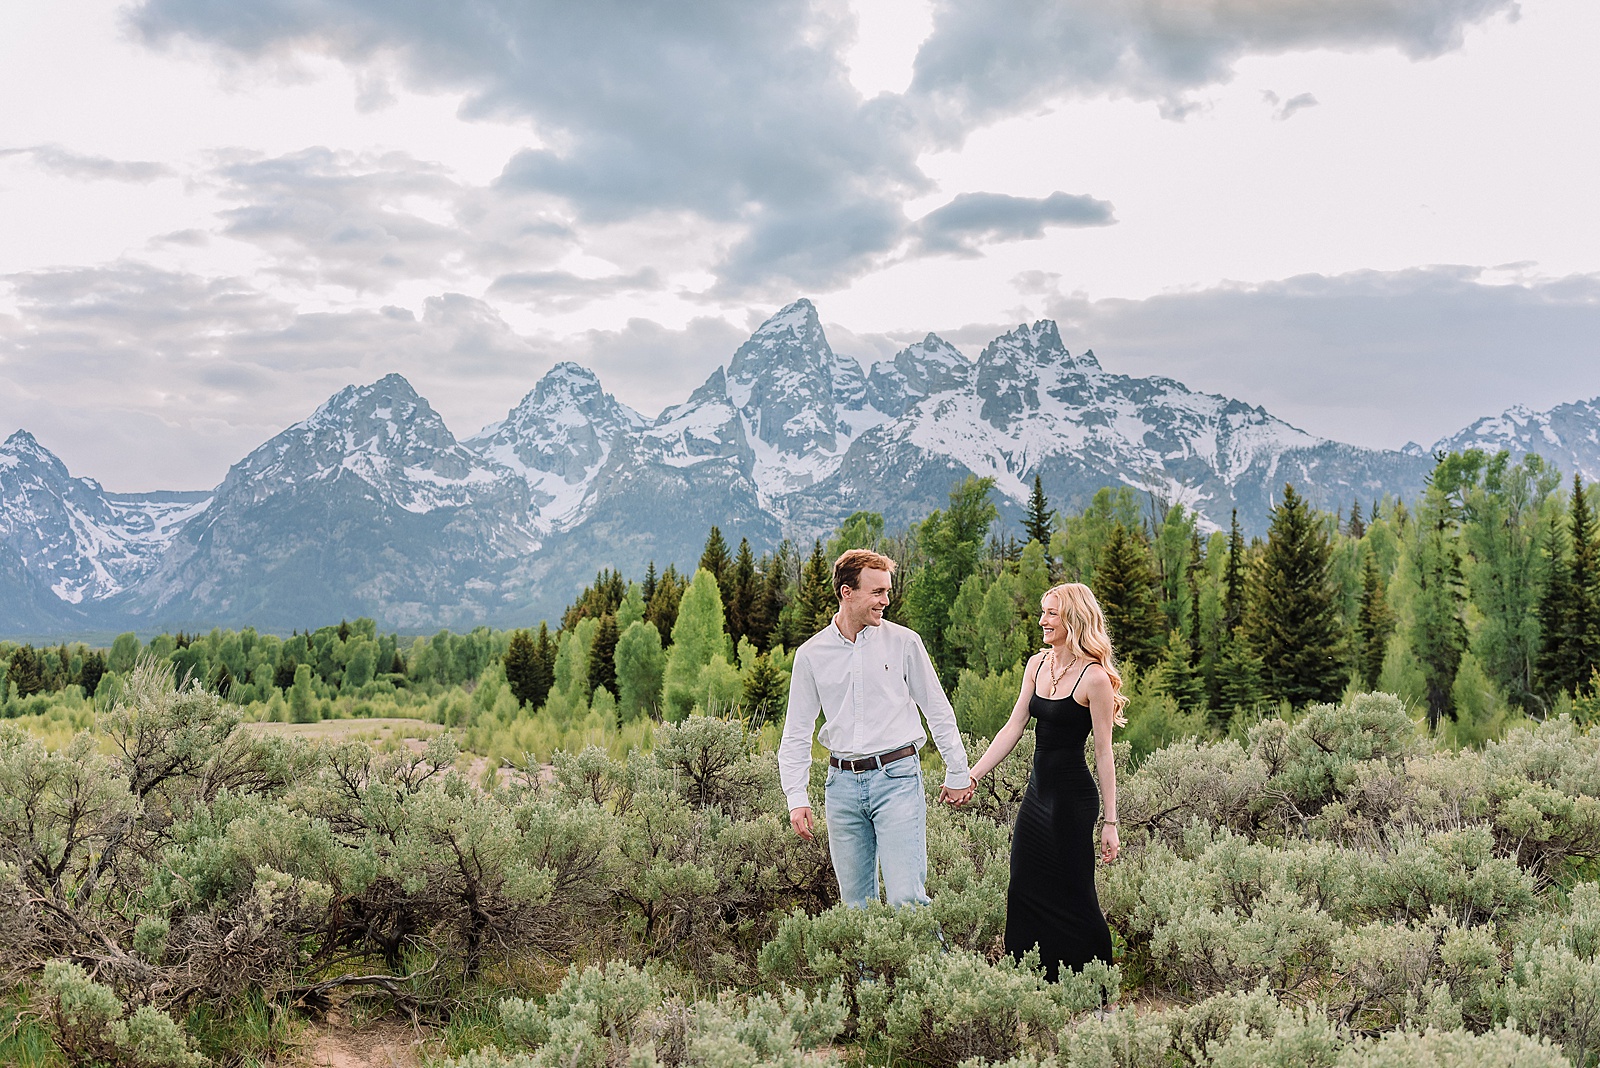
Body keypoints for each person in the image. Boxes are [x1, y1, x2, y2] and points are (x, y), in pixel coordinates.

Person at [779, 549, 974, 907]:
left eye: (887, 591)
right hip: (841, 788)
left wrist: (958, 770)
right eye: (877, 592)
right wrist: (797, 797)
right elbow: (795, 733)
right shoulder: (811, 654)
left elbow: (938, 710)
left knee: (907, 900)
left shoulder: (904, 642)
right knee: (856, 908)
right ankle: (865, 969)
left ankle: (938, 966)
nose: (886, 600)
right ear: (846, 592)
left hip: (897, 780)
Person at [963, 582, 1126, 981]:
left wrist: (1110, 823)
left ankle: (1095, 987)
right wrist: (971, 775)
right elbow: (1013, 727)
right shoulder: (1036, 665)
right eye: (1043, 612)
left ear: (1073, 618)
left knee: (1076, 893)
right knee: (1023, 886)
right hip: (1037, 798)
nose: (1042, 621)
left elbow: (1104, 754)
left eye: (1051, 613)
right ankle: (1031, 980)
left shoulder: (1095, 679)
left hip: (1074, 801)